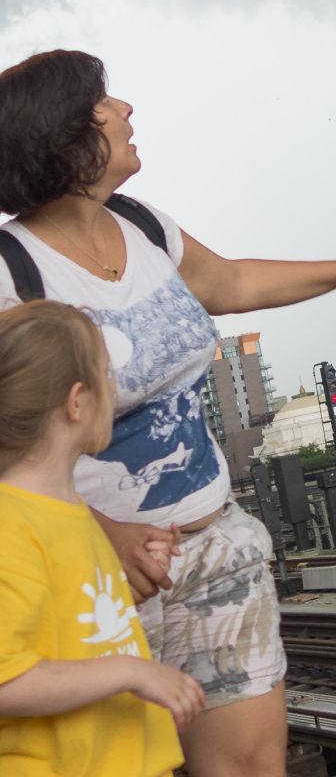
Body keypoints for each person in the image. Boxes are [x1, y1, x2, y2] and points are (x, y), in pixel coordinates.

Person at [0, 50, 336, 777]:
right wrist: (110, 534)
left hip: (216, 540)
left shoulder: (140, 224)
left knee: (253, 766)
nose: (126, 109)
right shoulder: (12, 273)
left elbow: (227, 281)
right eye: (106, 102)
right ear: (68, 135)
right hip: (98, 569)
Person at [0, 299, 206, 776]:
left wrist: (119, 590)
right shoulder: (12, 524)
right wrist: (133, 672)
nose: (115, 391)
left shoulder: (68, 511)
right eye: (107, 376)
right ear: (76, 401)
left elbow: (67, 625)